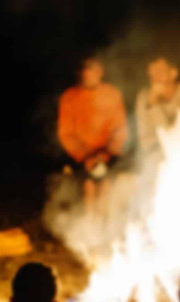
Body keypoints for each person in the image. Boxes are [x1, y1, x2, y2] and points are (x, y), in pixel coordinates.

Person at [58, 57, 128, 215]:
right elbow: (66, 134)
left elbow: (120, 129)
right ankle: (90, 222)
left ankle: (105, 220)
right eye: (86, 70)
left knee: (107, 180)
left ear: (100, 71)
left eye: (93, 69)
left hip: (107, 153)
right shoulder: (69, 97)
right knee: (88, 182)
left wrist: (106, 154)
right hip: (81, 155)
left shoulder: (112, 94)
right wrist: (85, 156)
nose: (89, 74)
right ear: (81, 73)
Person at [135, 55, 180, 165]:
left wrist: (153, 106)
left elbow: (178, 141)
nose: (154, 78)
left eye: (159, 71)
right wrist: (152, 103)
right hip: (157, 159)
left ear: (173, 73)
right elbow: (146, 141)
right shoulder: (144, 98)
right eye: (151, 73)